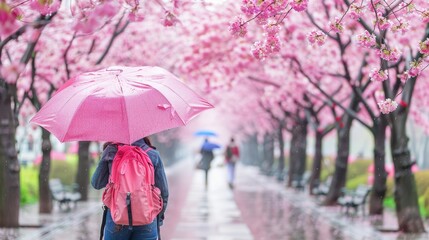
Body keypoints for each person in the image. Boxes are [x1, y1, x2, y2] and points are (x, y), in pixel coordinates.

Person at [91, 137, 169, 240]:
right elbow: (164, 193)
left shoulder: (111, 151)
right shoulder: (153, 154)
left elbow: (96, 183)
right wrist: (159, 219)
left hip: (116, 219)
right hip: (147, 219)